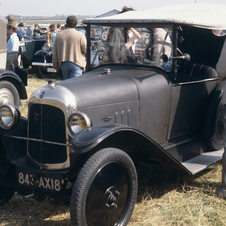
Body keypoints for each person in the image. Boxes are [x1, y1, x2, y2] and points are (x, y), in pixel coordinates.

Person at [53, 15, 87, 80]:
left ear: (66, 23)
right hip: (77, 63)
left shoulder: (59, 35)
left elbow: (55, 52)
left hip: (63, 64)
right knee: (75, 86)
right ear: (76, 25)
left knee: (67, 85)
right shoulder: (80, 35)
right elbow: (85, 49)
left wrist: (55, 65)